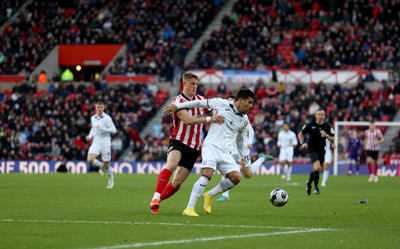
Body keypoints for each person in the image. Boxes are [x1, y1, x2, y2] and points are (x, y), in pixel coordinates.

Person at [163, 89, 255, 216]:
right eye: (249, 102)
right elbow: (199, 103)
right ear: (241, 100)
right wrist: (177, 106)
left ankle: (209, 195)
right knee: (207, 174)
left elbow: (240, 140)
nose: (251, 106)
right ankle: (189, 208)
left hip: (225, 152)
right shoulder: (221, 103)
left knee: (236, 177)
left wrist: (242, 158)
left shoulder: (244, 120)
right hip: (211, 146)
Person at [149, 72, 224, 214]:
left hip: (194, 147)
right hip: (178, 141)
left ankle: (157, 202)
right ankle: (155, 197)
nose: (195, 87)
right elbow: (188, 120)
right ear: (184, 83)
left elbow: (214, 109)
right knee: (171, 165)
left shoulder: (201, 100)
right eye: (192, 84)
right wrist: (210, 119)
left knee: (177, 183)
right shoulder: (177, 101)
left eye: (196, 84)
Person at [216, 97, 273, 202]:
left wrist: (250, 142)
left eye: (231, 101)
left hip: (242, 149)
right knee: (226, 170)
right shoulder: (226, 114)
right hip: (230, 148)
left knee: (248, 174)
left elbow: (251, 131)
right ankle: (225, 195)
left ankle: (262, 159)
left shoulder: (243, 117)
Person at [298, 109, 334, 195]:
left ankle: (309, 183)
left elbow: (333, 139)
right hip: (312, 149)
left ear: (324, 116)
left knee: (316, 169)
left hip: (322, 150)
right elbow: (300, 134)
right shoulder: (310, 125)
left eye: (322, 115)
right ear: (316, 116)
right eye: (319, 114)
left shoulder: (328, 127)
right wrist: (302, 143)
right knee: (318, 167)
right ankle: (316, 187)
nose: (320, 116)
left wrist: (326, 135)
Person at [86, 102, 117, 189]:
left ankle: (111, 181)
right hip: (96, 142)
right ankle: (101, 166)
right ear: (96, 108)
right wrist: (90, 136)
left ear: (103, 108)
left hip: (105, 143)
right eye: (98, 107)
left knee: (107, 164)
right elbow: (94, 127)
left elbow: (114, 130)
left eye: (101, 107)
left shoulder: (107, 118)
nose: (99, 109)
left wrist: (103, 128)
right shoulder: (93, 118)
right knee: (90, 159)